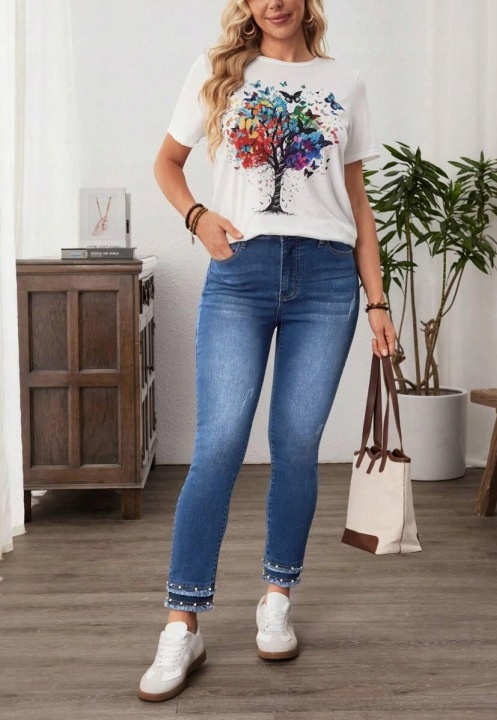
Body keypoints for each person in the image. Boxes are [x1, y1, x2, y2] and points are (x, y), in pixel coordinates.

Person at [139, 0, 396, 703]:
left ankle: (276, 598)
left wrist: (377, 300)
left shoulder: (345, 82)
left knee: (296, 444)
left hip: (327, 280)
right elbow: (167, 163)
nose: (275, 2)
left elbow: (357, 201)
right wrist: (197, 217)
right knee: (220, 442)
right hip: (240, 272)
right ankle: (182, 623)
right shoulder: (217, 69)